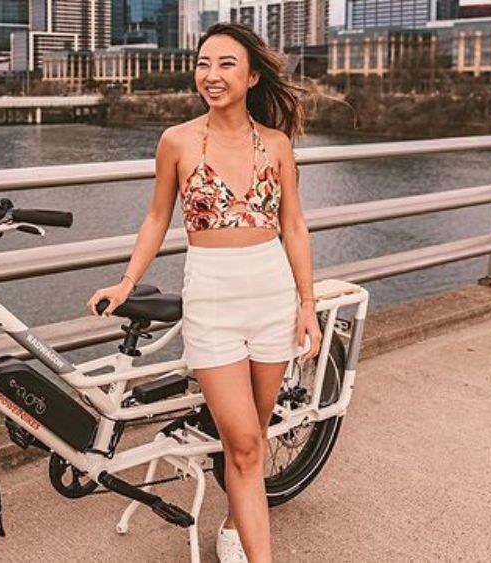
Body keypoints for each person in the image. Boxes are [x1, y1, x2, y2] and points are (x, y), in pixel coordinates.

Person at [86, 22, 321, 563]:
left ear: (252, 75)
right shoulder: (178, 141)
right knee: (241, 444)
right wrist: (126, 283)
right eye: (203, 64)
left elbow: (295, 227)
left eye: (225, 64)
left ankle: (238, 525)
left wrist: (306, 305)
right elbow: (155, 218)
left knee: (254, 441)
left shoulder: (279, 146)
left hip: (272, 297)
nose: (210, 76)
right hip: (211, 299)